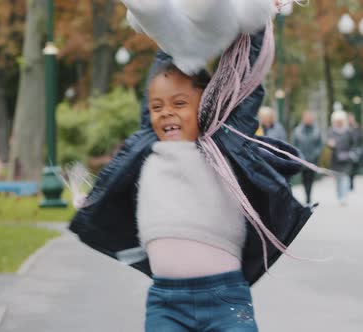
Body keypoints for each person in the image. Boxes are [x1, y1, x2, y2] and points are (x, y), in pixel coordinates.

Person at [69, 25, 313, 332]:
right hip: (166, 303)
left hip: (226, 301)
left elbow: (246, 77)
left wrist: (258, 17)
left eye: (180, 104)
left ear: (206, 104)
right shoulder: (150, 143)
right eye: (156, 107)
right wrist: (175, 17)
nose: (166, 113)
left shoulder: (223, 142)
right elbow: (168, 44)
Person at [292, 111, 323, 204]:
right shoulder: (297, 130)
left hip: (313, 159)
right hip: (302, 159)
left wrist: (316, 153)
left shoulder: (317, 130)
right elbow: (295, 144)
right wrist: (298, 155)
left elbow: (320, 144)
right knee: (304, 179)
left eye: (310, 118)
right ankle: (307, 196)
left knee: (310, 179)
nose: (308, 120)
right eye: (306, 118)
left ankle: (309, 197)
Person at [327, 110, 355, 205]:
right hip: (335, 159)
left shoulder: (348, 131)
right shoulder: (331, 131)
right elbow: (328, 143)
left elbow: (353, 144)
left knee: (345, 177)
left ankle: (343, 197)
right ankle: (339, 195)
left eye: (340, 120)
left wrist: (352, 153)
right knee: (338, 178)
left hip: (346, 158)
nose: (339, 122)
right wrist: (330, 144)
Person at [348, 114, 362, 190]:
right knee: (348, 168)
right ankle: (349, 183)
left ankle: (351, 182)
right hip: (347, 151)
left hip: (355, 151)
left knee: (353, 168)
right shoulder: (346, 128)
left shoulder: (357, 128)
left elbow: (360, 138)